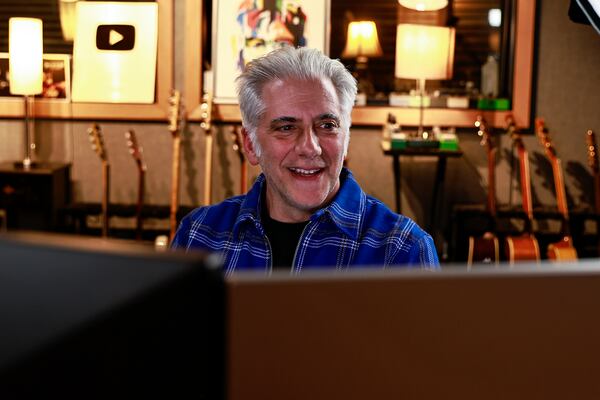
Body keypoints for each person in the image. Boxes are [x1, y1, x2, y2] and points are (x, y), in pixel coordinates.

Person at [172, 46, 439, 273]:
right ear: (251, 145)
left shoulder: (403, 250)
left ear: (346, 138)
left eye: (327, 125)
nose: (310, 148)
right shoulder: (198, 236)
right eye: (286, 128)